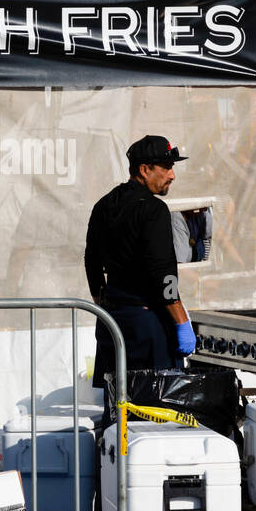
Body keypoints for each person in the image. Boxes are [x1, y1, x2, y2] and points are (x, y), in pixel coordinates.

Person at [85, 134, 197, 392]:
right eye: (167, 167)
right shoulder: (153, 209)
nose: (172, 175)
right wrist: (181, 320)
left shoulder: (103, 205)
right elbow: (164, 273)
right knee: (154, 410)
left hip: (111, 319)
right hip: (147, 323)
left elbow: (91, 262)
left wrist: (103, 303)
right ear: (144, 170)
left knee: (117, 408)